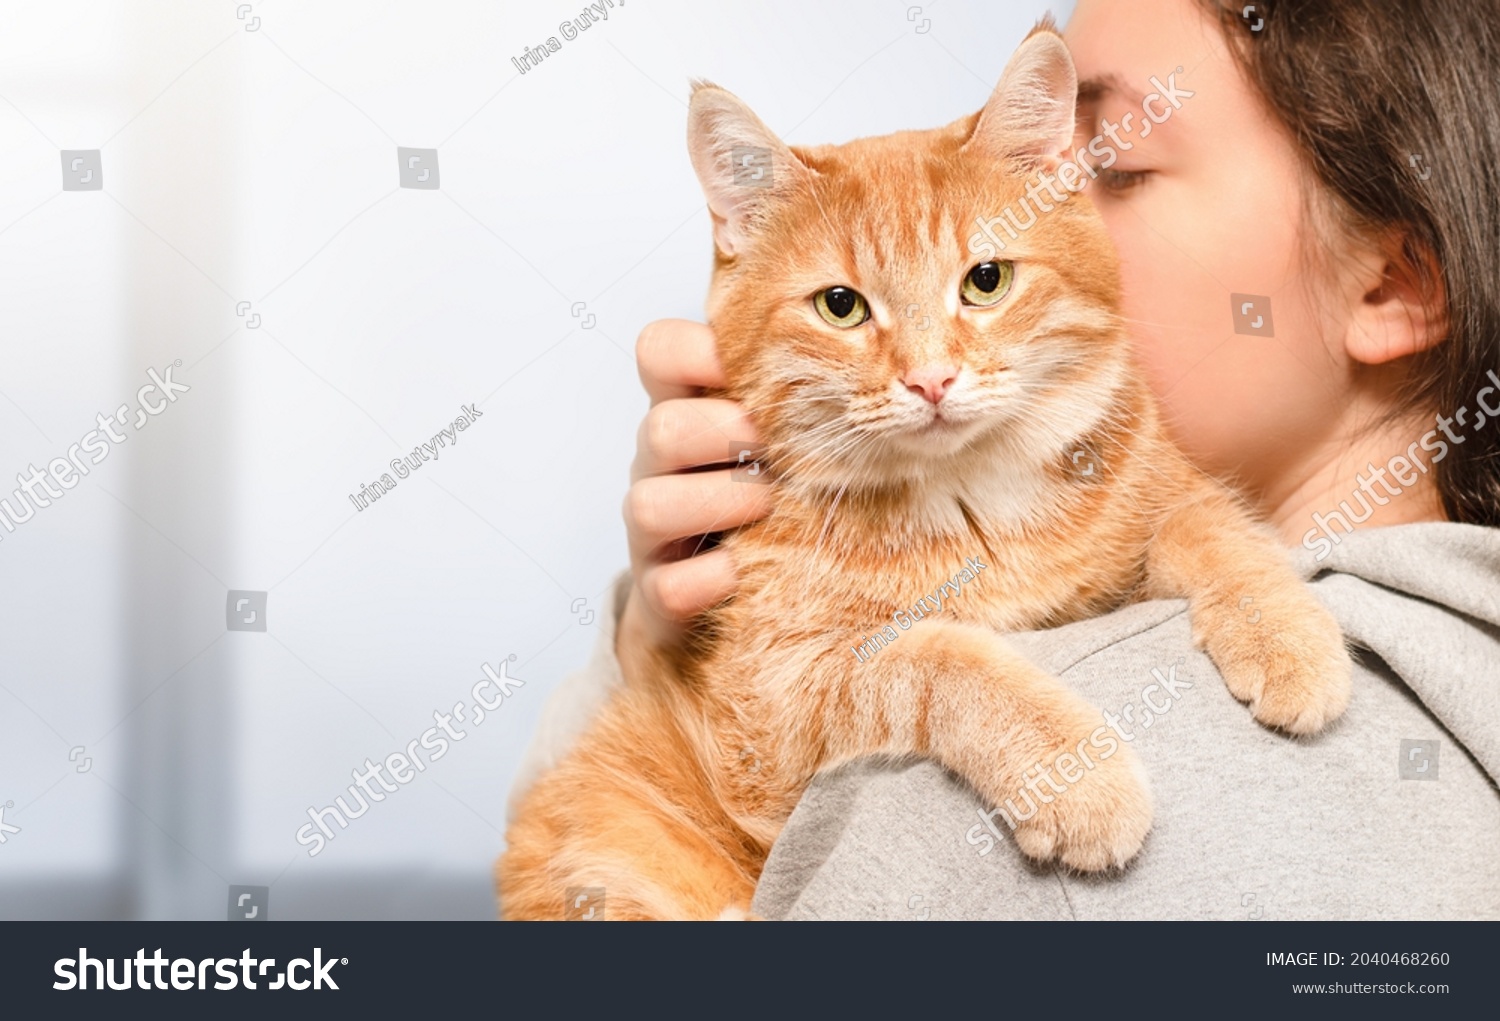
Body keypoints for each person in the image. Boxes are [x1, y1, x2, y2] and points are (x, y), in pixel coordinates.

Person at [511, 0, 1500, 919]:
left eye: (1110, 166)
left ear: (1394, 282)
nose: (1057, 214)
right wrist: (657, 641)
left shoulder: (954, 827)